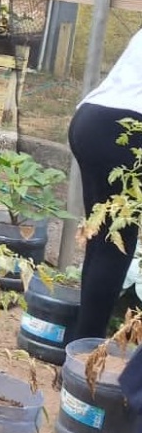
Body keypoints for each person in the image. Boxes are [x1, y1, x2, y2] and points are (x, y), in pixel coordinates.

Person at [69, 27, 142, 339]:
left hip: (90, 120)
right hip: (127, 129)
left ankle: (76, 346)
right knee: (117, 244)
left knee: (101, 239)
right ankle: (86, 355)